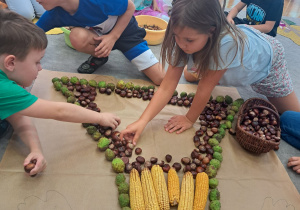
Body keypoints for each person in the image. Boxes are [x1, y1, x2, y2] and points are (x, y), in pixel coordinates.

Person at [120, 0, 300, 145]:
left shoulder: (225, 44)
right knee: (191, 74)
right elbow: (167, 86)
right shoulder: (183, 36)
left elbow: (205, 89)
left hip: (266, 61)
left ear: (211, 31)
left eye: (189, 40)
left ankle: (207, 67)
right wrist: (143, 121)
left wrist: (190, 119)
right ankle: (202, 64)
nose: (181, 44)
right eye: (176, 36)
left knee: (293, 115)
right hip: (222, 54)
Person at [0, 9, 121, 176]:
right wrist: (100, 118)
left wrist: (35, 148)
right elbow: (59, 111)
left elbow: (17, 114)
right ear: (11, 62)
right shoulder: (3, 90)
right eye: (37, 62)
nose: (40, 68)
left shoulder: (8, 89)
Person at [35, 0, 165, 86]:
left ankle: (135, 55)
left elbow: (129, 7)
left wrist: (113, 36)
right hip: (99, 38)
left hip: (125, 32)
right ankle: (100, 56)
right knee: (76, 36)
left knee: (160, 78)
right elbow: (32, 36)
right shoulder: (54, 14)